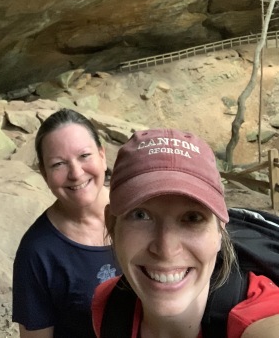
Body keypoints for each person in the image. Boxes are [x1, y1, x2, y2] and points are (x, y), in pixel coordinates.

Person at [92, 128, 279, 338]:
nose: (166, 250)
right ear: (111, 224)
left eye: (193, 218)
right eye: (140, 215)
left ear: (220, 229)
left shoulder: (259, 315)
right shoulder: (109, 306)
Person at [12, 108, 121, 338]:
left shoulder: (140, 210)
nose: (76, 173)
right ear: (44, 173)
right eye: (58, 164)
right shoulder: (37, 252)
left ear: (102, 156)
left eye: (84, 156)